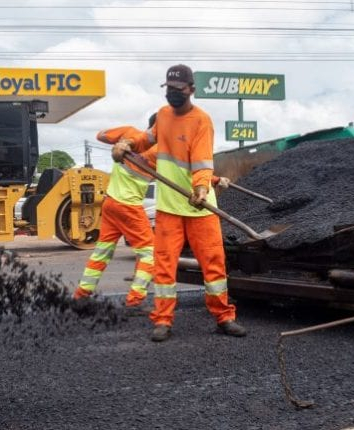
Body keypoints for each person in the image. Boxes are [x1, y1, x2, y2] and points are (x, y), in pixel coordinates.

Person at [113, 64, 247, 342]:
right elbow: (144, 140)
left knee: (213, 265)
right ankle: (162, 320)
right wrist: (125, 143)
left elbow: (201, 161)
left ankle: (224, 317)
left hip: (199, 208)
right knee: (164, 265)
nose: (172, 94)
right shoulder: (162, 116)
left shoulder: (201, 121)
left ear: (191, 90)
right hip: (168, 208)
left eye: (178, 89)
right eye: (169, 89)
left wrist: (200, 186)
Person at [73, 114, 158, 314]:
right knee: (150, 254)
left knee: (102, 252)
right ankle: (135, 302)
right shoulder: (161, 151)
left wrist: (120, 141)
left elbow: (101, 135)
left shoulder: (129, 132)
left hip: (110, 204)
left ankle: (80, 296)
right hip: (129, 207)